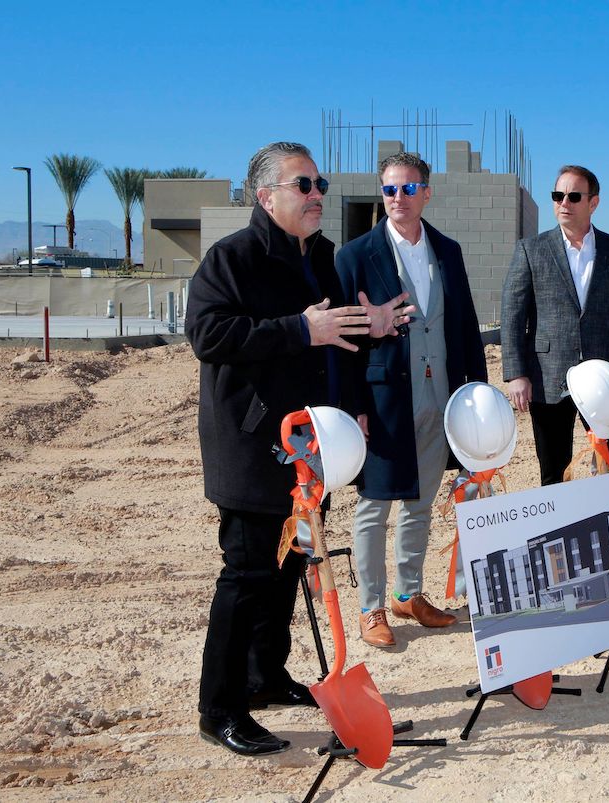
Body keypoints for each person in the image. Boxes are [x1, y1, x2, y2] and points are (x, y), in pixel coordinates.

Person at [186, 142, 411, 756]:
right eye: (303, 184)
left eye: (321, 184)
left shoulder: (324, 258)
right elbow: (206, 334)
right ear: (265, 197)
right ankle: (220, 707)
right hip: (254, 444)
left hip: (311, 445)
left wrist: (374, 326)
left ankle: (265, 676)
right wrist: (297, 329)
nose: (317, 194)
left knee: (290, 567)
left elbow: (334, 333)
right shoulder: (231, 258)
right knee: (249, 573)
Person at [336, 152, 487, 648]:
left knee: (421, 499)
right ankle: (371, 607)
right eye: (389, 190)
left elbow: (464, 325)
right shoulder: (355, 256)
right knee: (375, 504)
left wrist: (476, 395)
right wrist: (351, 405)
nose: (397, 199)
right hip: (383, 398)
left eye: (407, 188)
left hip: (440, 391)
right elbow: (344, 343)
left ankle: (409, 592)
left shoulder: (448, 249)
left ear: (426, 192)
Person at [501, 165, 609, 485]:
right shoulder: (531, 250)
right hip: (548, 378)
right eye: (558, 196)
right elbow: (513, 316)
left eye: (573, 196)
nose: (563, 203)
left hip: (607, 381)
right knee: (554, 474)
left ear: (593, 203)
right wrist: (516, 373)